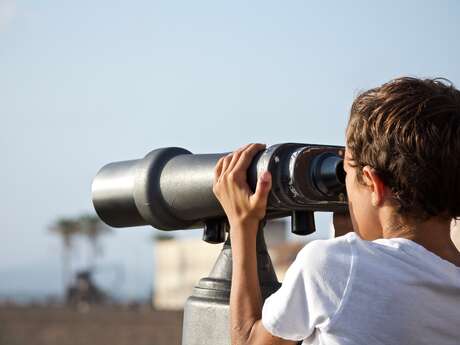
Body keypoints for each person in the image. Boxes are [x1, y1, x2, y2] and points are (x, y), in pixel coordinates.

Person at [212, 77, 460, 345]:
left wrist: (241, 224)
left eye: (347, 173)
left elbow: (249, 340)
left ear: (374, 184)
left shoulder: (335, 265)